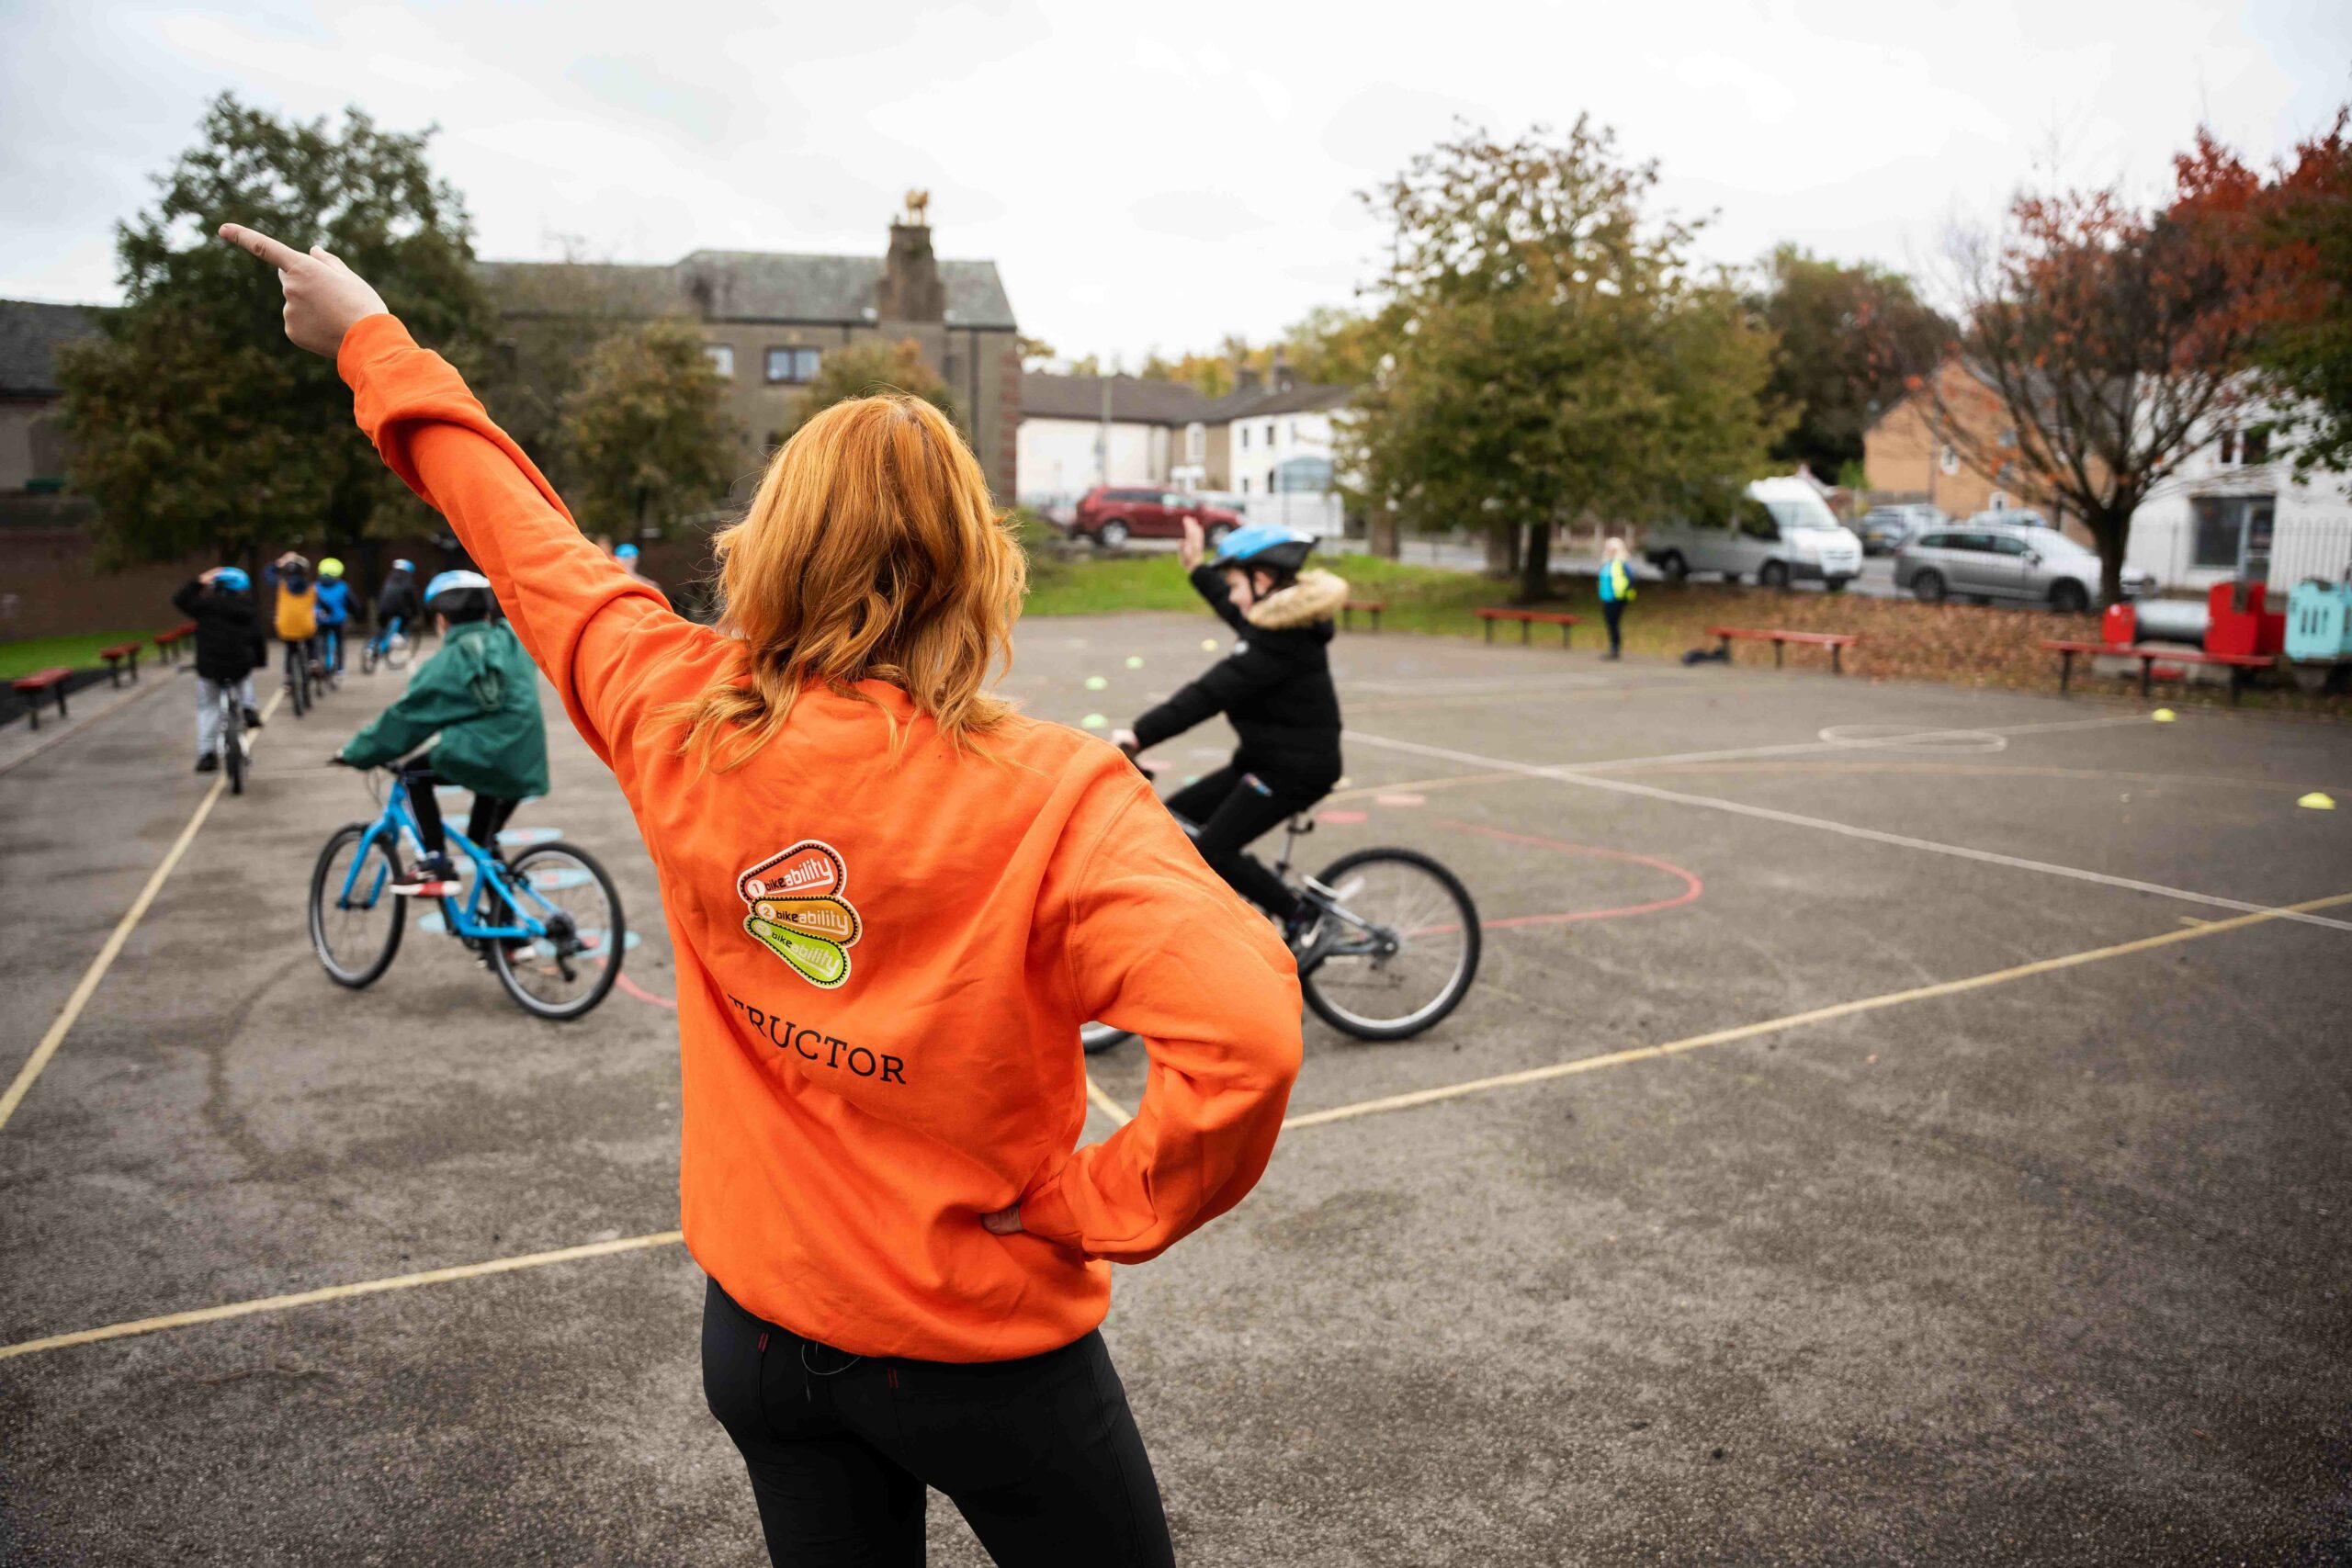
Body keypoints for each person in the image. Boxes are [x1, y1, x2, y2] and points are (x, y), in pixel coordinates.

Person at [226, 222, 1300, 1568]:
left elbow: (519, 534)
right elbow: (1244, 1032)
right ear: (976, 566)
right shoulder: (1055, 791)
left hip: (762, 1334)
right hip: (976, 1348)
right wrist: (1094, 1204)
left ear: (770, 547)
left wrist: (369, 334)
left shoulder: (673, 705)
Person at [1112, 518, 1347, 944]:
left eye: (1237, 585)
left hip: (1294, 772)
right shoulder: (1276, 624)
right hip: (1264, 761)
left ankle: (1300, 916)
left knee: (1214, 849)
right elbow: (1233, 607)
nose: (1234, 598)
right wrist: (1197, 569)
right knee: (1172, 822)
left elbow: (1207, 694)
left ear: (1263, 581)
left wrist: (1138, 735)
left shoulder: (1279, 642)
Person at [337, 570, 550, 897]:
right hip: (527, 759)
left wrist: (355, 753)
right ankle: (512, 938)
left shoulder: (449, 661)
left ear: (442, 620)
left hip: (489, 756)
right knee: (482, 843)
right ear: (485, 611)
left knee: (413, 774)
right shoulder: (513, 639)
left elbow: (405, 721)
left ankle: (436, 863)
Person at [170, 566, 264, 772]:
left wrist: (198, 581)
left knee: (207, 708)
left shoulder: (204, 606)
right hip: (239, 664)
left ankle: (207, 755)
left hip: (209, 666)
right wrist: (260, 661)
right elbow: (257, 637)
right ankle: (247, 710)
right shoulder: (247, 607)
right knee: (243, 682)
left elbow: (179, 599)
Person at [269, 551, 321, 682]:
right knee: (312, 641)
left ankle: (288, 677)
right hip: (305, 625)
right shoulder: (311, 589)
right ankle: (313, 661)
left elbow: (267, 573)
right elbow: (324, 604)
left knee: (290, 649)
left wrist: (279, 562)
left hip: (285, 625)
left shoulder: (281, 586)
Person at [374, 558, 423, 659]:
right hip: (399, 610)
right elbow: (413, 599)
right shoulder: (408, 582)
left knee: (382, 627)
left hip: (382, 608)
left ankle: (372, 645)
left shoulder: (388, 580)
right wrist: (417, 612)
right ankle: (398, 636)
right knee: (406, 618)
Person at [1598, 536, 1635, 660]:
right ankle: (1613, 647)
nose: (1609, 550)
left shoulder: (1620, 563)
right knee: (1610, 623)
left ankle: (1615, 648)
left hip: (1617, 598)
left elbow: (1631, 579)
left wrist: (1624, 593)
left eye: (1611, 548)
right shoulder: (1607, 563)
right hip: (1607, 598)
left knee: (1613, 623)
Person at [314, 556, 353, 674]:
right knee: (340, 643)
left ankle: (318, 660)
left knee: (320, 640)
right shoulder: (342, 586)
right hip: (338, 620)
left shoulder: (315, 587)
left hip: (321, 619)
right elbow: (351, 603)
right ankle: (340, 668)